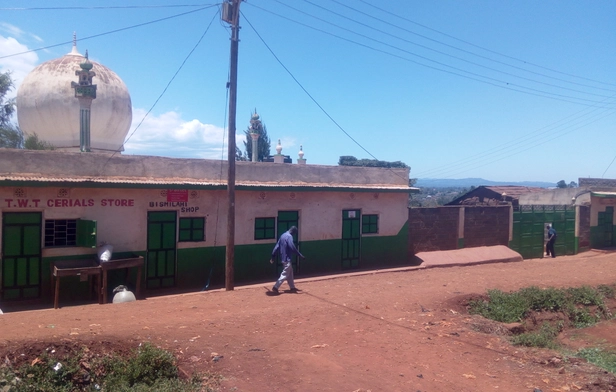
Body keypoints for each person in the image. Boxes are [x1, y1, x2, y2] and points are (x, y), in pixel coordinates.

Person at [270, 226, 305, 293]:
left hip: (283, 258)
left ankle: (292, 287)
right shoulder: (289, 236)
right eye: (294, 233)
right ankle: (276, 286)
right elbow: (292, 247)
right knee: (285, 274)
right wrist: (300, 255)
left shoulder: (282, 235)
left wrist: (273, 256)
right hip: (287, 258)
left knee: (290, 273)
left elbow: (276, 247)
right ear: (293, 232)